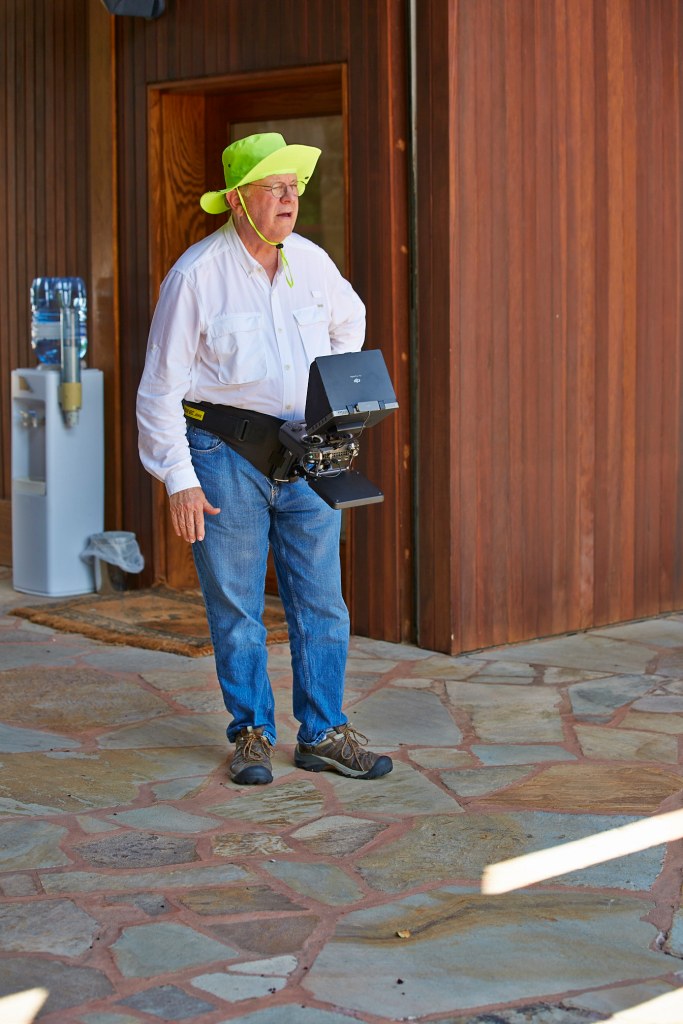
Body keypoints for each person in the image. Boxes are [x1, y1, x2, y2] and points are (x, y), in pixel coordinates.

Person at [137, 132, 393, 786]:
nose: (289, 198)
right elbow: (159, 390)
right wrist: (179, 481)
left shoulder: (310, 261)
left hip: (306, 447)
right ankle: (250, 731)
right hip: (221, 452)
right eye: (274, 187)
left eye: (293, 187)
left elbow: (350, 324)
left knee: (322, 601)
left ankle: (324, 732)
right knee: (237, 605)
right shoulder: (196, 275)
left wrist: (327, 402)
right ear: (236, 200)